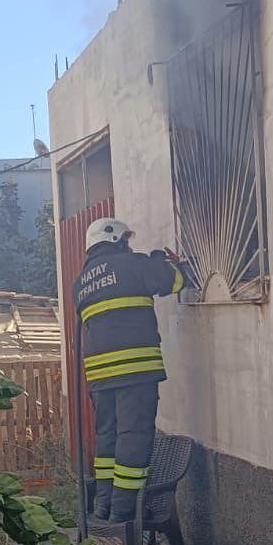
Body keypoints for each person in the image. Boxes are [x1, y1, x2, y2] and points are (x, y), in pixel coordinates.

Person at [72, 217, 185, 522]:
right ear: (115, 240)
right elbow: (174, 281)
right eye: (125, 241)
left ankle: (104, 505)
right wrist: (163, 260)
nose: (128, 246)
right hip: (135, 369)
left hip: (99, 374)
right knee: (134, 437)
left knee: (107, 438)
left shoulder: (80, 282)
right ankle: (126, 512)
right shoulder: (133, 264)